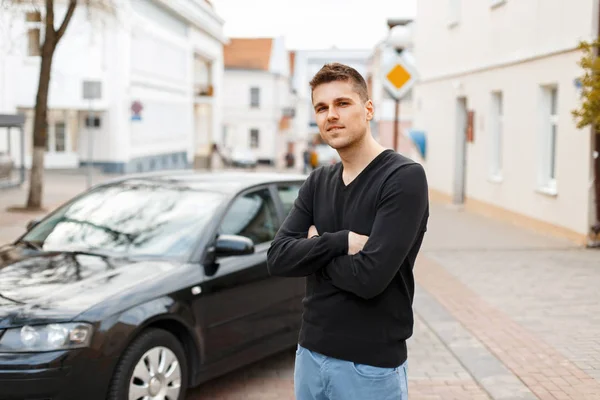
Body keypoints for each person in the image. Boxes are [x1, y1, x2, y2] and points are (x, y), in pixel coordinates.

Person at [266, 63, 429, 400]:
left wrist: (312, 248)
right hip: (309, 354)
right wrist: (340, 242)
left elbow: (370, 278)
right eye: (321, 108)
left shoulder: (403, 178)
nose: (331, 115)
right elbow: (278, 257)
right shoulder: (318, 181)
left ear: (368, 109)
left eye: (342, 103)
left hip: (369, 367)